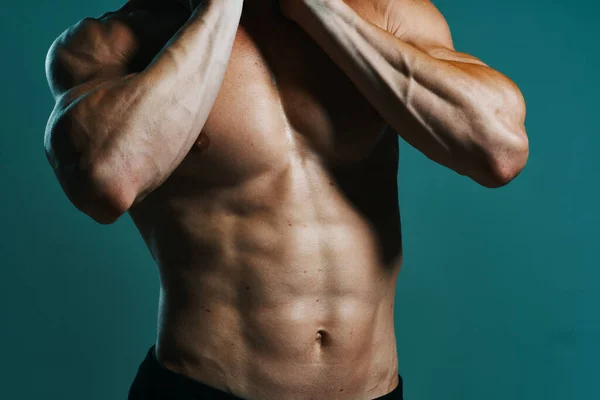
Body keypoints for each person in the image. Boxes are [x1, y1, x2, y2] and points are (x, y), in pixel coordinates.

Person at [43, 0, 528, 398]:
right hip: (207, 390)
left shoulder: (387, 14)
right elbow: (105, 180)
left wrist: (320, 9)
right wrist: (219, 7)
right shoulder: (113, 43)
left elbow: (498, 149)